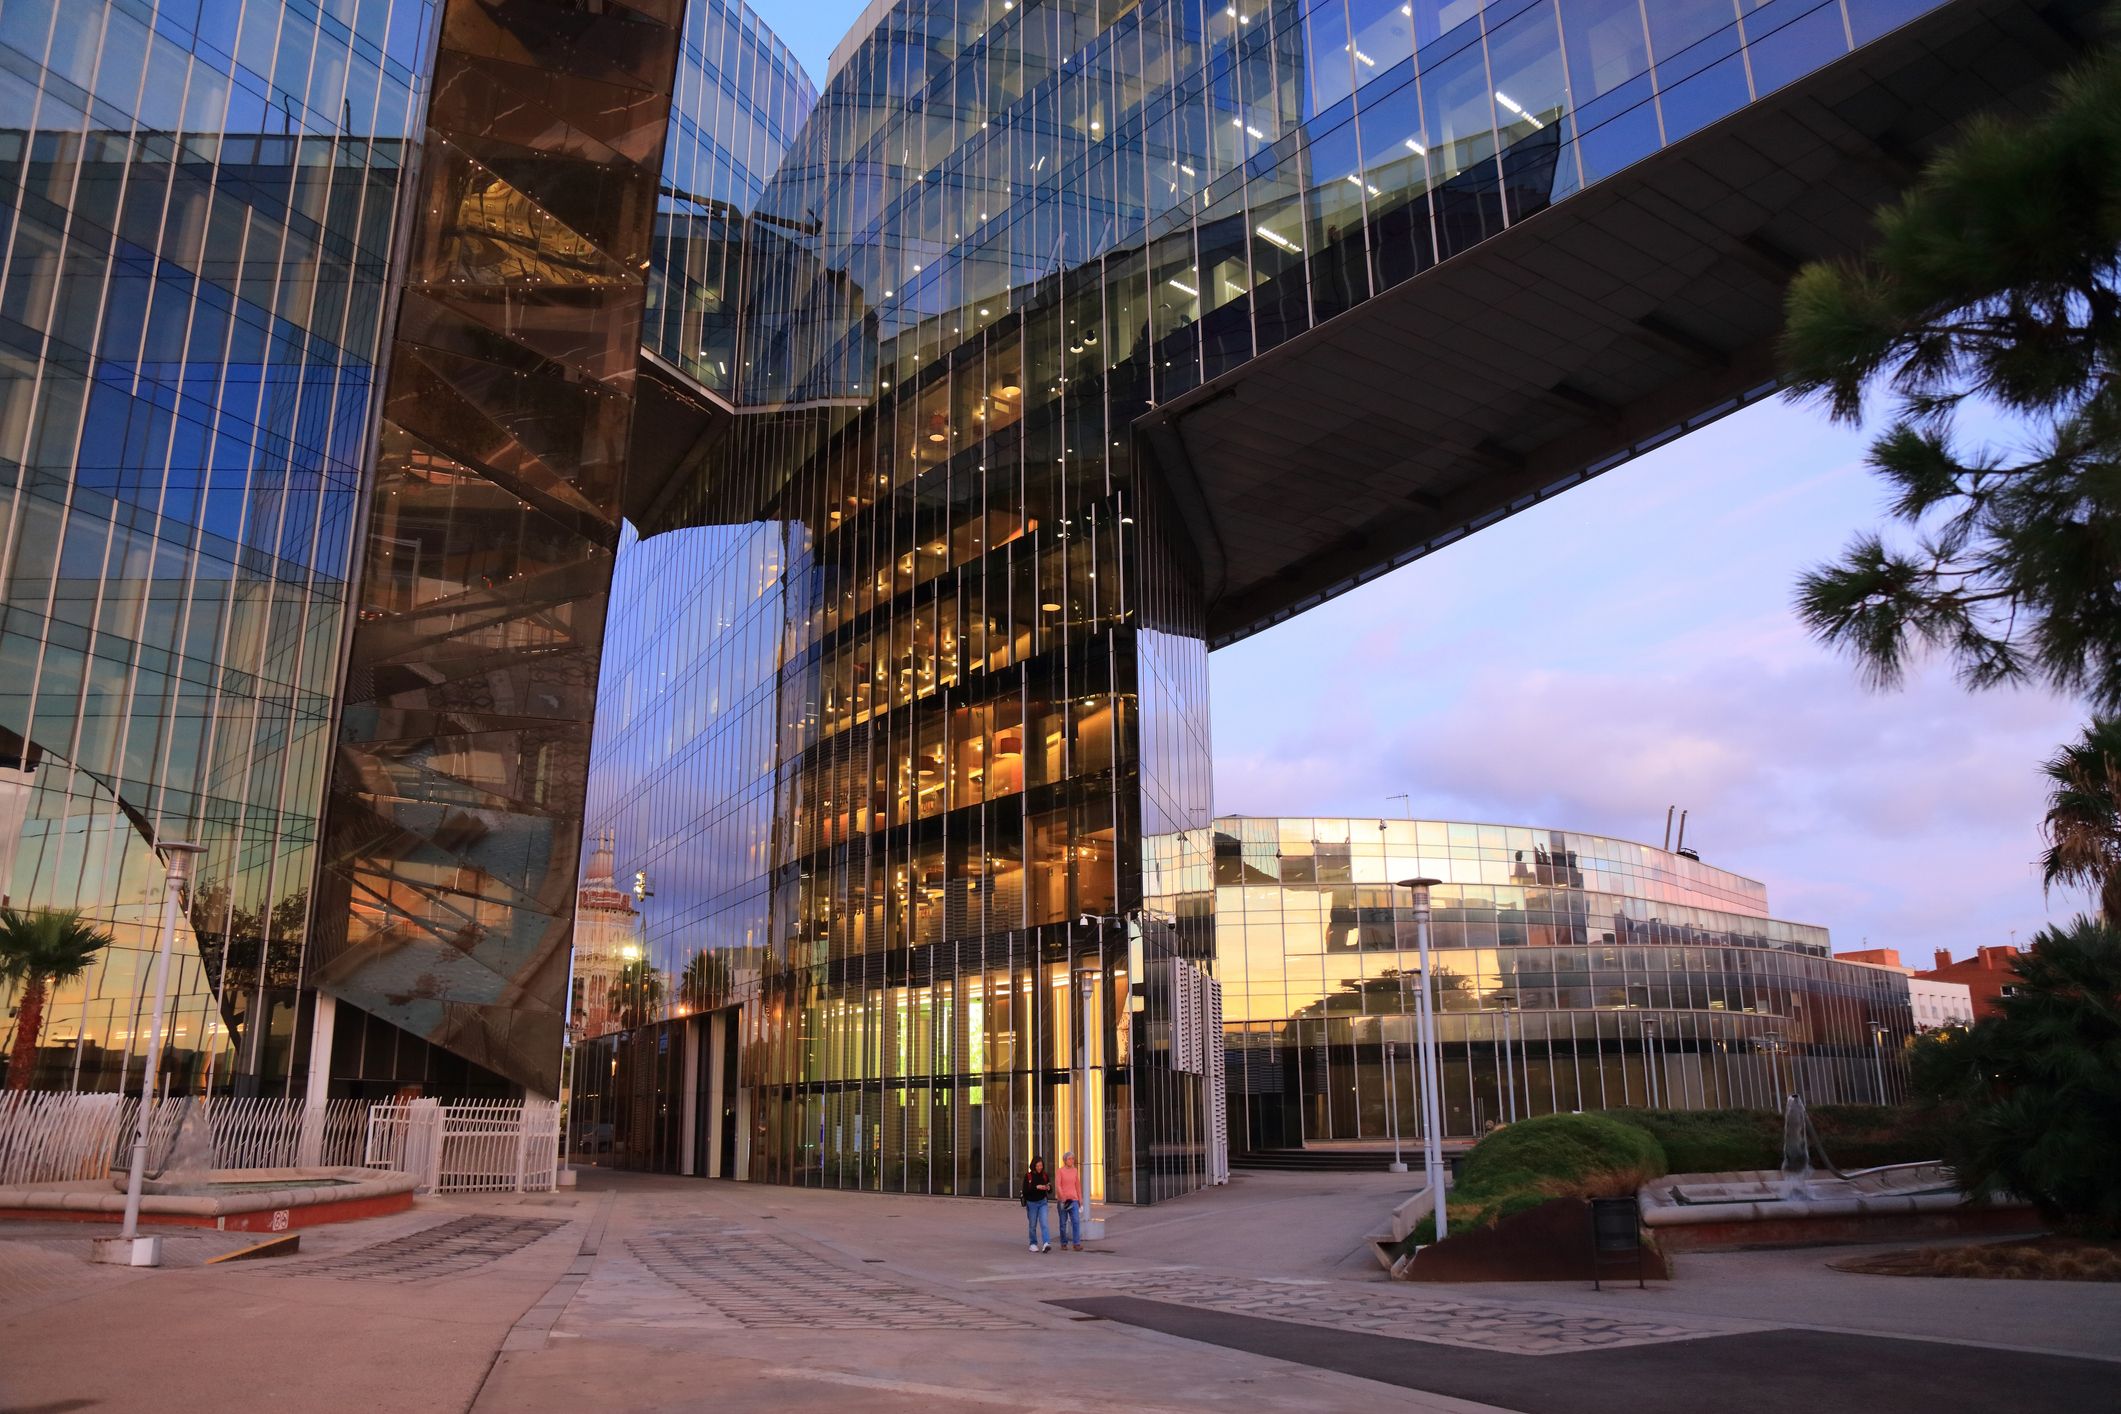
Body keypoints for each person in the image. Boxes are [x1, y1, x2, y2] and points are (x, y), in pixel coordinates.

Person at [1022, 1155, 1054, 1251]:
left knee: (1044, 1223)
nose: (1040, 1167)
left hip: (1043, 1202)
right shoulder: (1028, 1176)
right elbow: (1025, 1191)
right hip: (1032, 1203)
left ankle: (1046, 1243)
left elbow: (1050, 1190)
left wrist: (1048, 1187)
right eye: (1038, 1166)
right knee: (1032, 1224)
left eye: (1041, 1165)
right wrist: (1036, 1187)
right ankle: (1033, 1243)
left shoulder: (1045, 1175)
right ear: (1033, 1166)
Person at [1055, 1150, 1084, 1251]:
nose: (1072, 1160)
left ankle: (1076, 1243)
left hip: (1073, 1199)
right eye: (1069, 1159)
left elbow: (1077, 1185)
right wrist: (1062, 1196)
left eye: (1073, 1159)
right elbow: (1058, 1185)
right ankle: (1064, 1242)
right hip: (1063, 1201)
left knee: (1076, 1221)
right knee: (1063, 1223)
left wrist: (1080, 1198)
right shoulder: (1060, 1171)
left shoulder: (1075, 1170)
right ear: (1065, 1160)